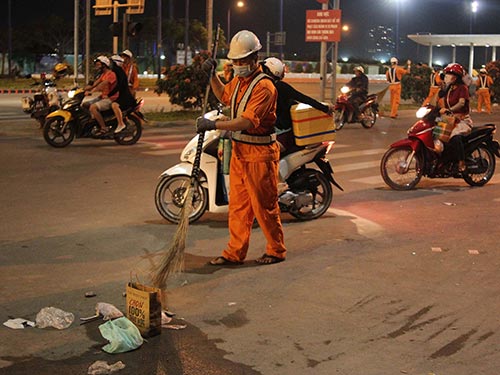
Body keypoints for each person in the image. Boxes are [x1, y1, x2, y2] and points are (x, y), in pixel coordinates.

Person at [197, 30, 287, 266]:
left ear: (255, 59)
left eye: (242, 61)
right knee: (238, 207)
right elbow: (224, 96)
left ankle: (276, 250)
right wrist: (212, 77)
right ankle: (234, 253)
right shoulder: (239, 81)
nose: (237, 65)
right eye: (235, 61)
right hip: (240, 151)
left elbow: (246, 121)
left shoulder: (265, 87)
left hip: (260, 154)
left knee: (264, 207)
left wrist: (213, 124)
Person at [261, 57, 334, 154]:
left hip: (282, 134)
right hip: (269, 133)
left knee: (266, 157)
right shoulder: (262, 87)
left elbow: (303, 98)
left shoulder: (279, 87)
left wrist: (325, 108)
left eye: (263, 70)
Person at [438, 63, 473, 172]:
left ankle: (461, 161)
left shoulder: (463, 88)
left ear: (456, 76)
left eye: (450, 74)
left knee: (454, 136)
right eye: (447, 73)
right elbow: (437, 98)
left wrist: (450, 110)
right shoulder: (448, 88)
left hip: (462, 120)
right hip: (450, 119)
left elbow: (461, 103)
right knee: (436, 134)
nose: (447, 76)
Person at [85, 56, 118, 135]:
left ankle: (104, 127)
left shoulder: (111, 74)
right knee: (85, 104)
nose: (97, 67)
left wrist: (92, 91)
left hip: (111, 98)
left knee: (93, 107)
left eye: (99, 65)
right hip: (103, 97)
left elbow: (103, 84)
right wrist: (83, 89)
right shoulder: (103, 75)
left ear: (104, 65)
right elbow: (95, 84)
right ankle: (94, 122)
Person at [109, 55, 137, 133]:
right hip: (121, 95)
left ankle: (121, 124)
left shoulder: (119, 71)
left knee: (114, 105)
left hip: (125, 97)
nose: (110, 64)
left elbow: (119, 85)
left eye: (112, 62)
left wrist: (110, 94)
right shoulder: (116, 71)